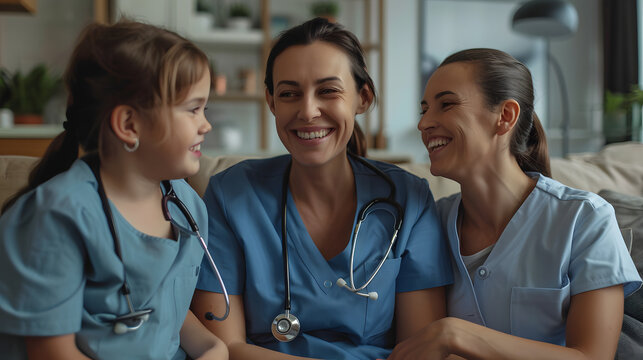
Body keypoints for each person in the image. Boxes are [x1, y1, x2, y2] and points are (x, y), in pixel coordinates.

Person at [191, 17, 453, 360]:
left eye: (328, 91)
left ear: (362, 97)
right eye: (289, 94)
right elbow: (224, 347)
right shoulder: (230, 194)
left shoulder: (409, 199)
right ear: (271, 102)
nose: (308, 110)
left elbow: (421, 349)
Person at [389, 48, 642, 359]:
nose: (424, 123)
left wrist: (456, 334)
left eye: (447, 105)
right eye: (424, 109)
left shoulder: (586, 219)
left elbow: (592, 356)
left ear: (505, 116)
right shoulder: (428, 224)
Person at [0, 20, 228, 359]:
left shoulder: (186, 205)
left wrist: (213, 347)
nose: (206, 124)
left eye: (204, 109)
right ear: (129, 124)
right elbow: (51, 352)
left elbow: (164, 312)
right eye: (192, 109)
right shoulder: (56, 216)